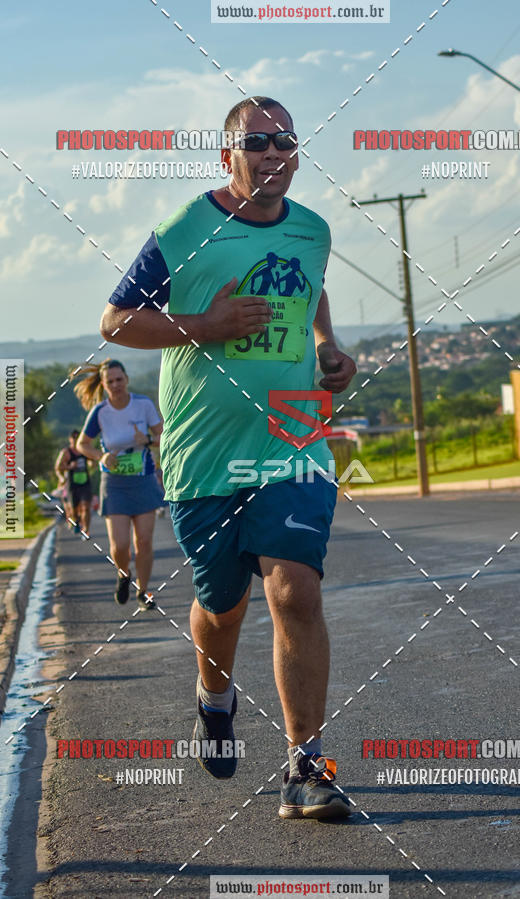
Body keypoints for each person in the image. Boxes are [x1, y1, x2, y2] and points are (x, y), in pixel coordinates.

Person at [99, 97, 357, 819]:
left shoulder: (314, 231)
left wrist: (330, 354)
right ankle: (215, 697)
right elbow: (116, 319)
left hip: (292, 442)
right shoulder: (186, 229)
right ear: (227, 156)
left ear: (298, 155)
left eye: (286, 142)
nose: (274, 153)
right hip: (202, 457)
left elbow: (311, 294)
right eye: (257, 143)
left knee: (294, 592)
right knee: (223, 605)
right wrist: (204, 324)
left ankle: (307, 766)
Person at [71, 359, 164, 611]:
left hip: (142, 478)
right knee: (120, 545)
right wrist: (101, 456)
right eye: (110, 381)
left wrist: (146, 440)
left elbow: (163, 435)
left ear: (127, 379)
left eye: (119, 379)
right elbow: (83, 444)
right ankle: (124, 575)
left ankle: (143, 592)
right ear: (103, 384)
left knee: (143, 541)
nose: (116, 385)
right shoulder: (100, 412)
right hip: (114, 484)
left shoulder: (142, 404)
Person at [55, 430, 93, 536]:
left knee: (86, 506)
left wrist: (92, 462)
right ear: (70, 439)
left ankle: (86, 530)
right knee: (73, 508)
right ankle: (76, 521)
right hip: (72, 483)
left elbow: (92, 460)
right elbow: (58, 467)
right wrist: (69, 467)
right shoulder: (66, 452)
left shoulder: (84, 450)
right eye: (74, 438)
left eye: (78, 437)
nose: (76, 440)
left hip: (85, 482)